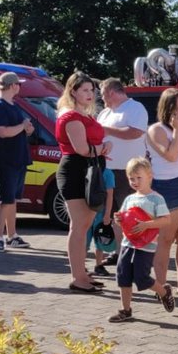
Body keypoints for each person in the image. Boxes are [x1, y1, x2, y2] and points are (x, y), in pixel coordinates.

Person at [55, 72, 112, 292]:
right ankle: (78, 277)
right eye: (85, 90)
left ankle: (81, 274)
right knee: (79, 226)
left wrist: (101, 148)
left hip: (90, 170)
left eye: (92, 90)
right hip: (76, 172)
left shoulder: (84, 115)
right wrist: (104, 148)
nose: (90, 94)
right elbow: (82, 149)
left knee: (83, 225)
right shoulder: (70, 116)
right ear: (73, 92)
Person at [109, 157, 175, 323]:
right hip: (127, 243)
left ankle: (164, 292)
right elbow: (124, 218)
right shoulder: (129, 199)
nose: (135, 182)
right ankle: (125, 310)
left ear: (150, 176)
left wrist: (147, 225)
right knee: (123, 275)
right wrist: (118, 219)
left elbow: (166, 219)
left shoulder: (156, 199)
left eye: (139, 177)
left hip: (146, 245)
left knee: (142, 277)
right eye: (131, 178)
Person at [146, 88, 178, 295]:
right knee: (165, 239)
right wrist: (177, 130)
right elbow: (172, 156)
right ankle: (161, 285)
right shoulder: (156, 130)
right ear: (167, 109)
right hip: (166, 186)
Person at [97, 78, 148, 257]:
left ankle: (134, 250)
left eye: (102, 94)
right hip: (107, 170)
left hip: (129, 172)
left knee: (131, 213)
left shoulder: (135, 108)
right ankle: (118, 252)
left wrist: (108, 130)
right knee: (112, 214)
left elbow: (136, 132)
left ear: (111, 92)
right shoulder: (104, 113)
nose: (102, 98)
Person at [0, 71, 35, 251]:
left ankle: (12, 236)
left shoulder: (13, 104)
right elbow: (2, 131)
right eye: (18, 84)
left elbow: (19, 128)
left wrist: (27, 128)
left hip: (17, 159)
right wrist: (22, 126)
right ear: (13, 86)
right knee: (4, 200)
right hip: (4, 160)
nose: (20, 87)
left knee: (12, 199)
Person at [87, 165, 116, 276]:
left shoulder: (107, 173)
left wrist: (107, 214)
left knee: (99, 240)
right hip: (88, 211)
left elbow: (110, 195)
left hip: (99, 212)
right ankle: (82, 267)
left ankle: (98, 265)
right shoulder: (86, 170)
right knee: (84, 240)